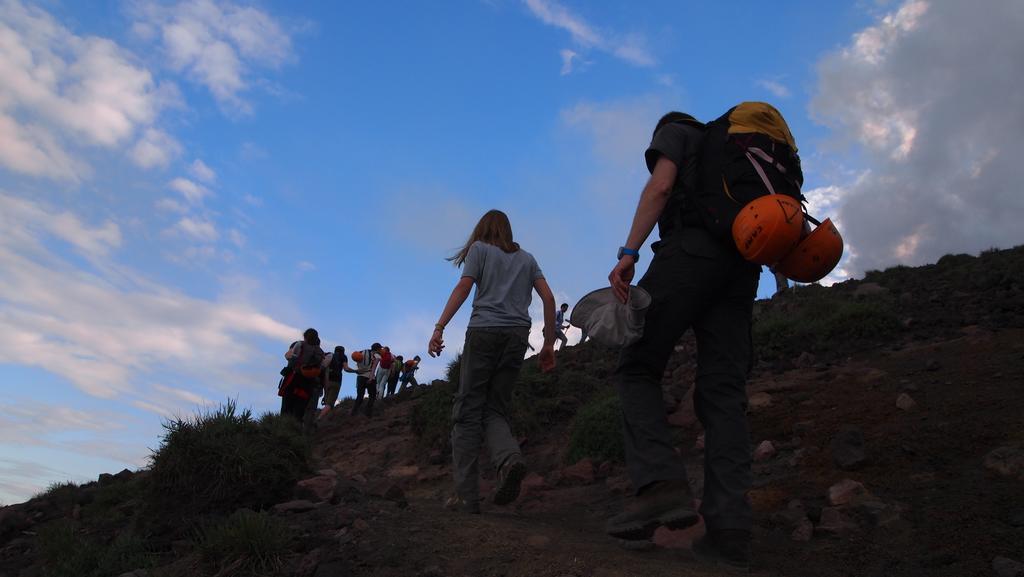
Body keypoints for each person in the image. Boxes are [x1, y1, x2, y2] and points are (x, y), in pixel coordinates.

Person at [604, 112, 760, 570]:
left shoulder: (676, 131)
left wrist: (629, 253)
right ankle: (729, 529)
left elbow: (662, 187)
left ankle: (660, 486)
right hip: (741, 265)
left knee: (636, 364)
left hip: (690, 251)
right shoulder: (737, 150)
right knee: (724, 392)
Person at [428, 209, 557, 514]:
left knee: (467, 410)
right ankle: (509, 459)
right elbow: (549, 299)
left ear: (483, 229)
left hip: (484, 331)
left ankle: (465, 496)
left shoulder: (479, 250)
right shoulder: (527, 258)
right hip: (516, 336)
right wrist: (549, 344)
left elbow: (463, 287)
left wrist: (440, 327)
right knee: (495, 408)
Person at [281, 329, 325, 424]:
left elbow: (289, 356)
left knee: (286, 407)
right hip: (308, 383)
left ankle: (282, 430)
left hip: (294, 379)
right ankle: (296, 432)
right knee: (299, 411)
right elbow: (321, 368)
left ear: (305, 336)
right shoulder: (320, 352)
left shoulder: (300, 345)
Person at [321, 346, 357, 418]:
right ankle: (319, 418)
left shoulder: (330, 355)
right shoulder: (343, 357)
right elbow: (346, 369)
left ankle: (326, 417)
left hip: (326, 380)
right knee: (330, 403)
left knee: (327, 400)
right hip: (336, 381)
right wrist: (355, 371)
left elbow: (324, 367)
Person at [351, 342, 382, 417]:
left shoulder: (361, 352)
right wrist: (371, 377)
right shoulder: (376, 355)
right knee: (372, 395)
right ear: (377, 349)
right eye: (380, 349)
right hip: (369, 377)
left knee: (360, 396)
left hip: (360, 377)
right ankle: (368, 413)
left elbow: (357, 361)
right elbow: (374, 367)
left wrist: (358, 370)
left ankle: (353, 413)